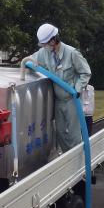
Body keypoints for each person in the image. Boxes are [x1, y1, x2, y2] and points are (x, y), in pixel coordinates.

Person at [29, 23, 92, 152]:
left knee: (74, 135)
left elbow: (86, 72)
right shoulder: (44, 53)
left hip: (72, 100)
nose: (44, 47)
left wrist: (77, 89)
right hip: (58, 101)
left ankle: (78, 166)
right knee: (60, 133)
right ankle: (67, 160)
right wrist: (26, 64)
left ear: (54, 40)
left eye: (46, 43)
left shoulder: (72, 53)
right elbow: (29, 60)